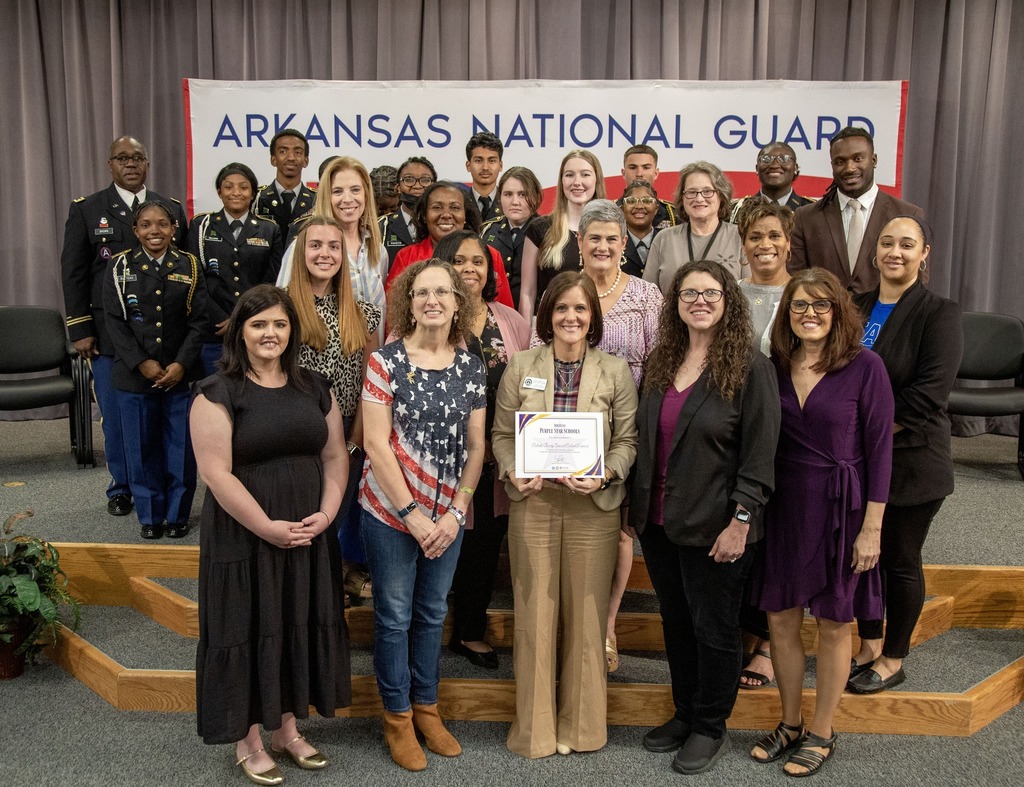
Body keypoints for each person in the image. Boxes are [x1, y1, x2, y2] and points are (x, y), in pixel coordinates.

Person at [191, 285, 351, 785]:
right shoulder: (216, 392)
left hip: (306, 529)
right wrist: (265, 527)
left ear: (292, 331)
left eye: (279, 324)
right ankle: (248, 738)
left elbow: (335, 456)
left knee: (293, 621)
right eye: (259, 324)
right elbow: (216, 474)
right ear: (241, 329)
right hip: (246, 533)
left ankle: (286, 728)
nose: (270, 333)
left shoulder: (315, 386)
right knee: (247, 625)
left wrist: (327, 514)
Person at [628, 260, 779, 775]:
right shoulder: (662, 360)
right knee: (675, 623)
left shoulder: (750, 368)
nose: (699, 301)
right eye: (689, 293)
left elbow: (760, 457)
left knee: (714, 629)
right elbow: (648, 438)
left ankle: (710, 726)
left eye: (710, 293)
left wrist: (741, 520)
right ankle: (685, 711)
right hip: (660, 520)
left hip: (718, 527)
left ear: (728, 300)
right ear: (675, 302)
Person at [751, 268, 894, 776]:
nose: (809, 314)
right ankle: (790, 723)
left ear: (837, 312)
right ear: (786, 314)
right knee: (782, 619)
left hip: (843, 510)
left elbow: (881, 452)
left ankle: (822, 731)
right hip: (786, 506)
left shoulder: (866, 367)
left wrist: (872, 527)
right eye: (798, 306)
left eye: (820, 305)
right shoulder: (772, 365)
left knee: (834, 623)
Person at [492, 272, 638, 759]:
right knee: (534, 613)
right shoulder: (521, 365)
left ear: (593, 317)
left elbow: (626, 443)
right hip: (534, 503)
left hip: (592, 509)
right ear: (547, 316)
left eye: (580, 309)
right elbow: (501, 436)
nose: (571, 318)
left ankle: (583, 728)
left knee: (588, 618)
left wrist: (605, 474)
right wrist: (514, 471)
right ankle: (533, 732)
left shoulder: (615, 371)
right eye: (561, 309)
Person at [359, 259, 486, 772]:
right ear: (407, 302)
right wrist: (412, 514)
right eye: (422, 292)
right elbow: (374, 442)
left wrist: (456, 511)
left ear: (459, 303)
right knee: (393, 618)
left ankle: (427, 709)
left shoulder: (472, 364)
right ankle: (396, 717)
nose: (432, 300)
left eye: (443, 292)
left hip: (448, 517)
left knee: (433, 614)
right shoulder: (385, 363)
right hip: (392, 514)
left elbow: (477, 448)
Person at [847, 217, 964, 694]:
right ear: (875, 251)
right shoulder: (855, 305)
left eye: (907, 244)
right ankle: (870, 642)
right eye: (887, 243)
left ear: (925, 253)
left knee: (898, 558)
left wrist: (863, 434)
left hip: (913, 460)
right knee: (858, 558)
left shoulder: (940, 312)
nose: (895, 252)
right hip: (855, 462)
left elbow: (928, 395)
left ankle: (894, 657)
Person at [60, 135, 187, 518]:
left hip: (166, 337)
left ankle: (162, 486)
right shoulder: (88, 209)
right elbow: (74, 271)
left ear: (147, 164)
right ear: (110, 163)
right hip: (109, 336)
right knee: (117, 421)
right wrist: (80, 328)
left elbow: (187, 270)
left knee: (165, 422)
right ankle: (122, 487)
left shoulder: (172, 208)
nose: (130, 164)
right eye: (122, 158)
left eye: (137, 158)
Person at [433, 230, 531, 670]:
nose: (469, 269)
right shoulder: (427, 315)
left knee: (483, 549)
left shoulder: (510, 321)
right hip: (437, 460)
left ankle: (469, 632)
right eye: (458, 260)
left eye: (478, 261)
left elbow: (534, 385)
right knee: (437, 545)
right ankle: (426, 632)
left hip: (498, 461)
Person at [575, 199, 663, 672]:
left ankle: (607, 625)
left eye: (612, 238)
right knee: (580, 525)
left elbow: (661, 366)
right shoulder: (566, 290)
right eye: (595, 238)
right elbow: (536, 353)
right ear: (580, 243)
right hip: (570, 429)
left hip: (628, 429)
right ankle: (577, 621)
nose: (604, 246)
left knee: (622, 530)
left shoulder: (647, 297)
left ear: (623, 243)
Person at [288, 216, 382, 603]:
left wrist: (357, 436)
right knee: (302, 512)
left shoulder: (363, 313)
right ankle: (304, 582)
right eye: (315, 245)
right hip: (295, 431)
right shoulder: (282, 309)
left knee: (339, 511)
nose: (324, 254)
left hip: (348, 430)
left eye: (332, 247)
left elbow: (371, 382)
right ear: (300, 253)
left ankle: (336, 573)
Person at [102, 200, 207, 540]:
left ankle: (177, 515)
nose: (154, 231)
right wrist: (140, 362)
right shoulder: (119, 267)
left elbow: (199, 320)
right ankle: (150, 515)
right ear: (136, 231)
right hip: (134, 377)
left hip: (180, 374)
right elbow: (115, 322)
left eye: (162, 224)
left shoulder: (189, 265)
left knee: (180, 448)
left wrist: (181, 363)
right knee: (141, 448)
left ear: (174, 228)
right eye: (146, 225)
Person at [734, 198, 795, 689]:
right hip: (741, 430)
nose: (764, 245)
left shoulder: (806, 293)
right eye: (755, 237)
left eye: (773, 236)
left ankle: (773, 646)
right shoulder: (730, 295)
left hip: (795, 430)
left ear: (789, 242)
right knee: (750, 530)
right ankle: (748, 629)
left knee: (783, 539)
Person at [790, 126, 925, 294]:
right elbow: (797, 281)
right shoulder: (806, 217)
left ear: (874, 160)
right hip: (825, 317)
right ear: (832, 165)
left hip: (887, 318)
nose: (849, 168)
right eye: (840, 161)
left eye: (858, 158)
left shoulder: (907, 215)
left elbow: (917, 282)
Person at [277, 156, 388, 344]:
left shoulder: (378, 250)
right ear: (326, 196)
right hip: (323, 362)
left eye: (355, 190)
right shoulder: (303, 247)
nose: (347, 199)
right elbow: (281, 307)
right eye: (337, 191)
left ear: (366, 194)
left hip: (371, 363)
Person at [188, 162, 283, 375]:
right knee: (213, 395)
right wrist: (222, 320)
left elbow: (272, 281)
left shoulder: (269, 230)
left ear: (252, 193)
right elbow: (196, 280)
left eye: (243, 187)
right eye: (229, 187)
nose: (236, 193)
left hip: (256, 328)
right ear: (219, 192)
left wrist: (242, 319)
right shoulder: (201, 226)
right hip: (213, 330)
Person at [384, 181, 514, 308]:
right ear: (424, 215)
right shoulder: (406, 257)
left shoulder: (490, 255)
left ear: (465, 216)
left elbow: (505, 314)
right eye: (437, 207)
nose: (446, 214)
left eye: (455, 207)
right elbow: (393, 313)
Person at [518, 150, 607, 324]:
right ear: (561, 181)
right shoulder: (540, 228)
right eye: (569, 175)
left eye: (585, 174)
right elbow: (527, 292)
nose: (577, 182)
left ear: (596, 180)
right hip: (549, 327)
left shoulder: (611, 231)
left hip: (598, 327)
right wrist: (525, 335)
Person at [643, 161, 744, 295]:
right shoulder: (664, 239)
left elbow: (751, 292)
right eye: (692, 192)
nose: (699, 198)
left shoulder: (740, 237)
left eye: (707, 191)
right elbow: (648, 296)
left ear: (721, 195)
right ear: (682, 197)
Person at [481, 166, 543, 308]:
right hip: (495, 315)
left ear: (536, 196)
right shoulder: (488, 231)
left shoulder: (548, 232)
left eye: (522, 194)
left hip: (535, 315)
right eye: (508, 194)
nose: (515, 201)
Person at [729, 142, 815, 222]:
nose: (774, 165)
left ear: (795, 168)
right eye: (766, 159)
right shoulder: (736, 210)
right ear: (757, 169)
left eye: (784, 159)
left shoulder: (812, 210)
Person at [254, 128, 316, 237]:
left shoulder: (317, 200)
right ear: (273, 159)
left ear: (306, 160)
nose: (291, 158)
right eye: (283, 151)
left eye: (298, 152)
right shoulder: (256, 198)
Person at [379, 156, 436, 264]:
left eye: (425, 180)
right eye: (409, 180)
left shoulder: (443, 225)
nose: (417, 186)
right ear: (398, 188)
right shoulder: (381, 227)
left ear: (434, 186)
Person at [616, 144, 678, 228]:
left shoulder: (674, 214)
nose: (639, 174)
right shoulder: (607, 211)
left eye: (646, 167)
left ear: (656, 173)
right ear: (623, 173)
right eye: (633, 167)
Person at [620, 179, 662, 278]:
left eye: (647, 201)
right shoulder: (615, 243)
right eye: (631, 201)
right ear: (622, 209)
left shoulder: (666, 241)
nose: (639, 206)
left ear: (656, 209)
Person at [462, 131, 504, 223]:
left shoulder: (509, 203)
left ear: (500, 165)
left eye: (492, 161)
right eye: (478, 160)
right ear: (468, 166)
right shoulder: (459, 203)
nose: (485, 167)